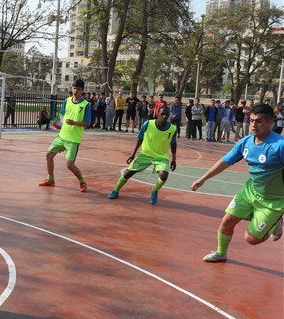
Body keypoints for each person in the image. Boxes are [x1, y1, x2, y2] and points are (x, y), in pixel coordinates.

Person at [191, 104, 283, 262]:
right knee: (227, 220)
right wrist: (203, 179)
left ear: (270, 123)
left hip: (273, 201)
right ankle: (221, 253)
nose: (253, 125)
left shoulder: (279, 145)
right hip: (250, 192)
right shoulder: (245, 142)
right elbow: (224, 162)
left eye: (259, 121)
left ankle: (276, 222)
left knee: (251, 239)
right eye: (251, 120)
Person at [108, 106, 177, 205]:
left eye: (167, 115)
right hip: (145, 155)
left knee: (164, 175)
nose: (165, 116)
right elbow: (140, 138)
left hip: (161, 157)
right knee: (127, 173)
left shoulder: (173, 129)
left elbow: (173, 144)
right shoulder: (148, 124)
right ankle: (116, 190)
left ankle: (154, 190)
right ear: (157, 114)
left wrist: (174, 159)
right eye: (162, 114)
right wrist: (133, 154)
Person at [39, 78, 91, 192]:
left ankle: (82, 182)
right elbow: (61, 114)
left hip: (73, 140)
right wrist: (50, 122)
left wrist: (74, 123)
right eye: (74, 88)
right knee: (49, 155)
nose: (75, 91)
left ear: (82, 90)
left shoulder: (86, 105)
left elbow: (87, 123)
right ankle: (50, 179)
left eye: (78, 89)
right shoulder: (67, 101)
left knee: (69, 165)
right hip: (62, 136)